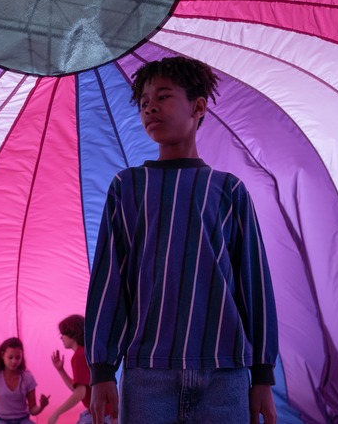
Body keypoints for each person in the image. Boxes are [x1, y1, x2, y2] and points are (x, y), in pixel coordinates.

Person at [84, 56, 279, 424]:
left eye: (163, 96)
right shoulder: (127, 188)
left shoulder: (229, 190)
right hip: (146, 375)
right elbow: (109, 281)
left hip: (224, 375)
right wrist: (102, 369)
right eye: (143, 102)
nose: (150, 107)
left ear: (199, 106)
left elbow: (253, 285)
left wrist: (262, 377)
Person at [49, 314, 113, 424]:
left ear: (72, 333)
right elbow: (80, 388)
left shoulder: (79, 356)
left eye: (63, 333)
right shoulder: (86, 353)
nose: (61, 337)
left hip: (101, 415)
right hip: (105, 412)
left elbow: (80, 393)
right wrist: (61, 370)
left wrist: (56, 413)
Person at [0, 337, 49, 424]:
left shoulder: (27, 377)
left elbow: (33, 409)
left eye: (17, 358)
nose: (14, 361)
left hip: (22, 420)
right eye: (10, 357)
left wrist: (41, 407)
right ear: (2, 355)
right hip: (0, 420)